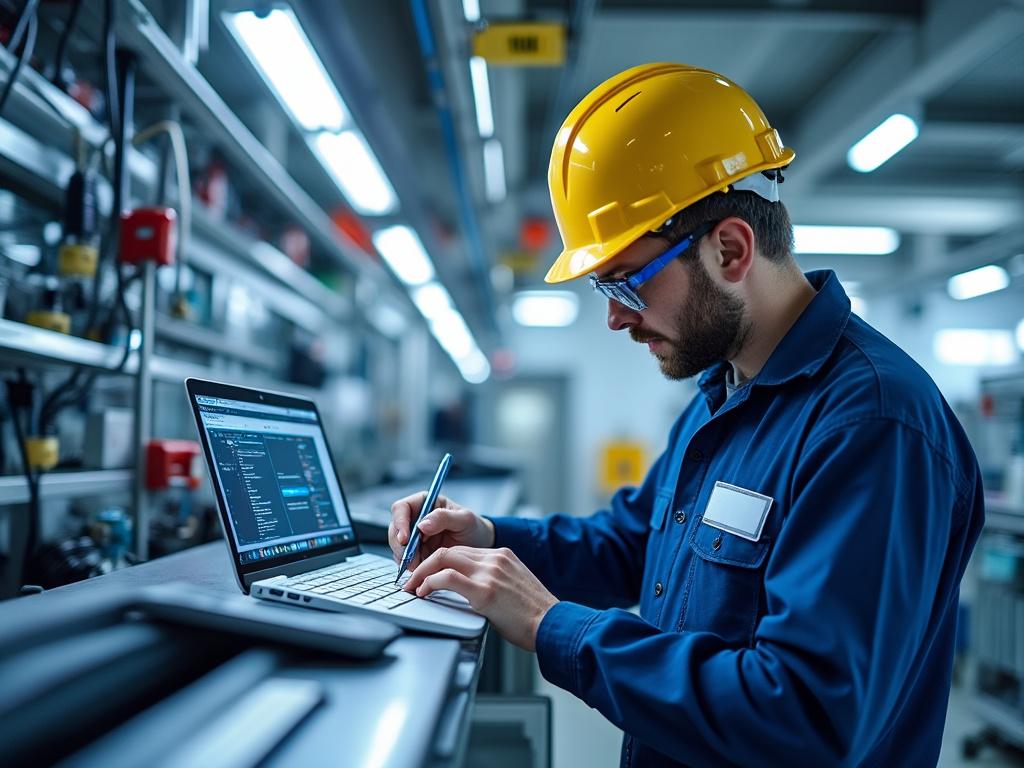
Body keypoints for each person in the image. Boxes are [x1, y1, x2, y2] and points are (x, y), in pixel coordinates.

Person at [389, 63, 984, 767]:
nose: (615, 318)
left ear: (729, 249)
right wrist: (487, 538)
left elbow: (805, 715)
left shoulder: (872, 425)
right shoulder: (722, 395)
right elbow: (633, 545)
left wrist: (552, 625)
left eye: (626, 284)